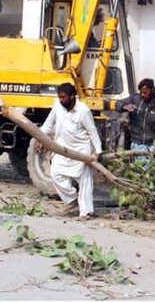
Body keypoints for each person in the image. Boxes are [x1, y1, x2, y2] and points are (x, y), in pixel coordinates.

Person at [40, 82, 102, 220]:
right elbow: (47, 126)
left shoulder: (83, 110)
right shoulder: (57, 107)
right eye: (60, 97)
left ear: (73, 96)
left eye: (64, 97)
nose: (61, 100)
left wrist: (98, 151)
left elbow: (92, 131)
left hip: (81, 152)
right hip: (62, 150)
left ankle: (86, 212)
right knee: (56, 174)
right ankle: (72, 199)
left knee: (85, 181)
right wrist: (40, 139)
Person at [116, 78, 155, 153]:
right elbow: (118, 103)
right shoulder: (135, 99)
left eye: (145, 92)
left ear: (153, 89)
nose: (142, 95)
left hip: (152, 146)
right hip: (136, 143)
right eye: (141, 92)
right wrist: (124, 107)